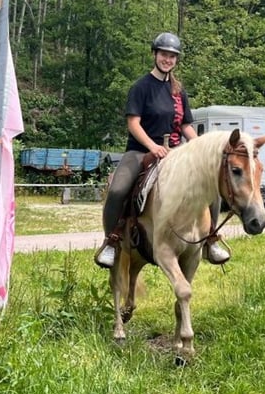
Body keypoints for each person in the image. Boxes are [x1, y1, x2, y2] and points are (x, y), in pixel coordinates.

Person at [94, 32, 231, 268]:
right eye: (164, 55)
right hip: (140, 151)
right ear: (155, 55)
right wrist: (152, 146)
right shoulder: (141, 87)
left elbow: (185, 125)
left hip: (175, 153)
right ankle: (112, 241)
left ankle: (209, 239)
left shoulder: (179, 91)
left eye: (172, 56)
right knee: (118, 190)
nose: (168, 60)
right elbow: (133, 123)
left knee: (212, 189)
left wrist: (199, 146)